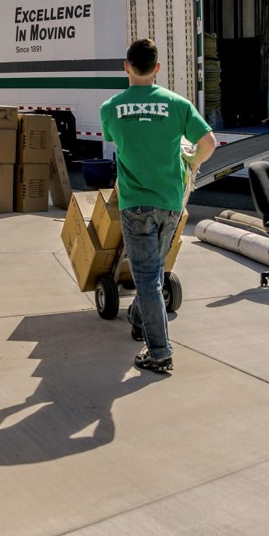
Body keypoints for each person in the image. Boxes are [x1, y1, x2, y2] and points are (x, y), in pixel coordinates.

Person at [100, 38, 216, 373]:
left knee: (148, 279)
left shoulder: (110, 108)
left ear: (126, 67)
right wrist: (193, 160)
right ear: (157, 68)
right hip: (170, 205)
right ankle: (138, 316)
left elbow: (114, 140)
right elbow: (208, 142)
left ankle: (160, 352)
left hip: (136, 206)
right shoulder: (177, 105)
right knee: (154, 272)